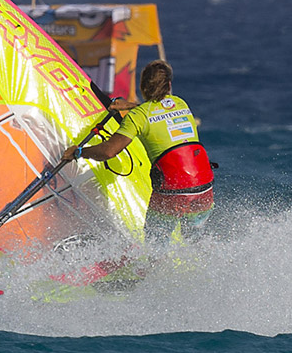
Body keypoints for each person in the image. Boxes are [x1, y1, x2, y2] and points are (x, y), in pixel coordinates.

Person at [63, 60, 214, 243]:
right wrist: (132, 106)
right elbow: (157, 111)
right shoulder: (180, 103)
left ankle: (152, 270)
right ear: (169, 85)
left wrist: (78, 152)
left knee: (156, 246)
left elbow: (109, 152)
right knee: (195, 244)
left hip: (172, 188)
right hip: (203, 183)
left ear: (142, 87)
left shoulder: (138, 117)